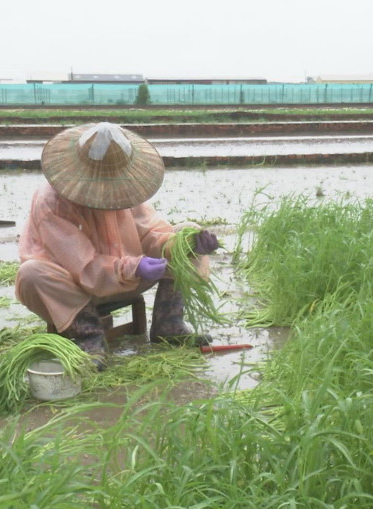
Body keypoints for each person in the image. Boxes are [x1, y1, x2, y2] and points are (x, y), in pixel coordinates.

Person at [15, 122, 220, 369]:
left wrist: (186, 245)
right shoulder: (51, 202)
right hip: (72, 291)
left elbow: (152, 234)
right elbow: (85, 266)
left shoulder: (123, 191)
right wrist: (133, 268)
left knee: (186, 232)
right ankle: (89, 339)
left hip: (124, 278)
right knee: (32, 273)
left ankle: (169, 325)